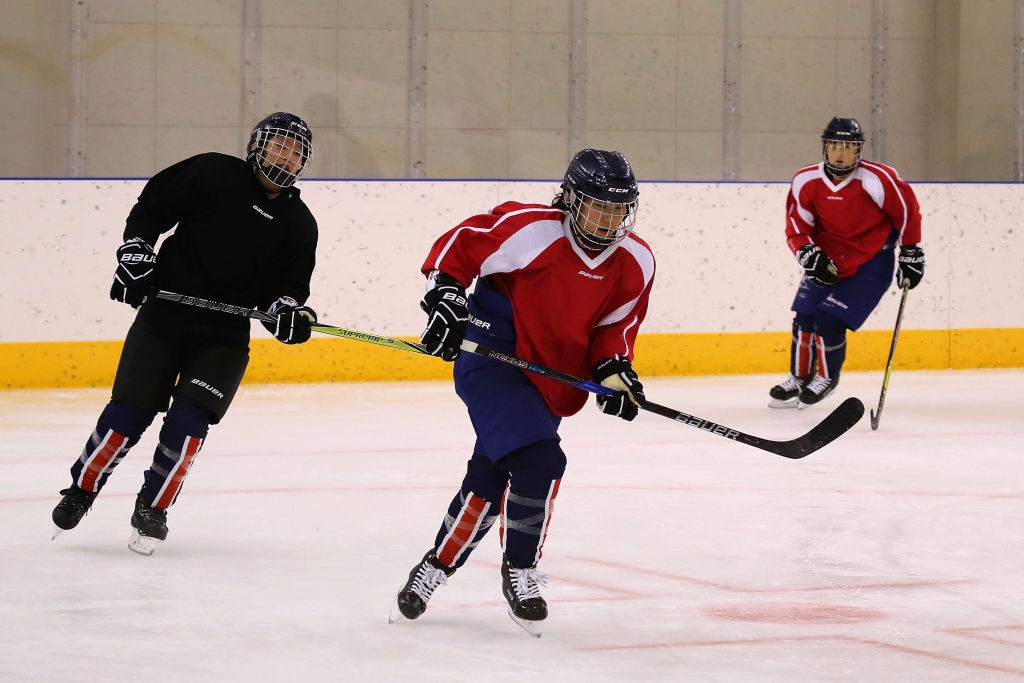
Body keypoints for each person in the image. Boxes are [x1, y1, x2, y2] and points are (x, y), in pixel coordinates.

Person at [388, 149, 656, 636]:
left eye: (618, 209)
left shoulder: (636, 261)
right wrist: (446, 297)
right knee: (539, 462)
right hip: (491, 359)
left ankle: (434, 568)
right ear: (572, 199)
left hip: (547, 379)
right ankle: (521, 570)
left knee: (490, 478)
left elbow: (614, 329)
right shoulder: (531, 230)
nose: (608, 219)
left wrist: (615, 371)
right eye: (598, 205)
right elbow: (458, 248)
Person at [50, 112, 319, 555]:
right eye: (279, 146)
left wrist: (287, 313)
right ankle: (82, 489)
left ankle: (153, 507)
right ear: (258, 145)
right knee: (127, 416)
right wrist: (136, 252)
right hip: (164, 319)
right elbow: (150, 211)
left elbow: (288, 290)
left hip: (225, 337)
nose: (285, 157)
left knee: (189, 425)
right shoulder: (213, 171)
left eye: (295, 153)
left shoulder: (299, 222)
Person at [769, 117, 924, 409]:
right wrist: (806, 252)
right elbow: (797, 224)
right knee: (804, 319)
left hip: (870, 263)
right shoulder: (806, 180)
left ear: (859, 151)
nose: (841, 154)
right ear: (825, 149)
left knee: (829, 320)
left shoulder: (878, 179)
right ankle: (799, 377)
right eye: (835, 146)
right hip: (827, 261)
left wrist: (911, 251)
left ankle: (826, 378)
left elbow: (907, 213)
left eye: (849, 147)